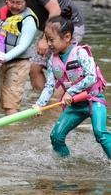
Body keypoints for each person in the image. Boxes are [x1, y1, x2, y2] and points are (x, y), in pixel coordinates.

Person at [0, 0, 85, 91]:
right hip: (50, 29)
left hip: (70, 26)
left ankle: (73, 100)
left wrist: (44, 40)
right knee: (34, 68)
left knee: (63, 69)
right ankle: (43, 105)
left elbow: (55, 11)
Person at [33, 10, 109, 158]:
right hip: (75, 106)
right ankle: (66, 165)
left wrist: (71, 91)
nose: (48, 44)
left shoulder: (80, 53)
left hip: (93, 100)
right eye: (46, 39)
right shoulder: (52, 60)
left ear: (67, 37)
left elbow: (92, 77)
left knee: (101, 134)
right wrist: (40, 104)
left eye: (51, 39)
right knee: (56, 136)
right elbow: (49, 86)